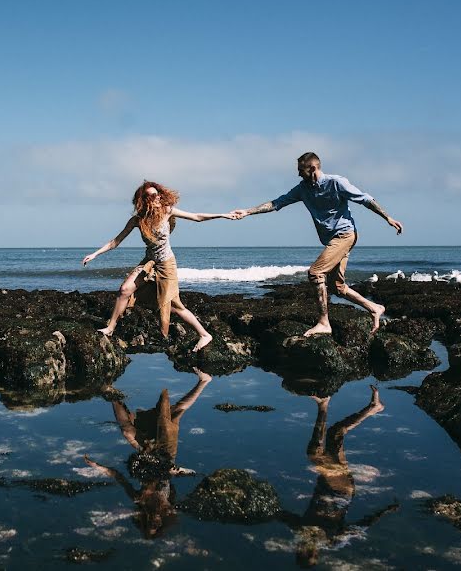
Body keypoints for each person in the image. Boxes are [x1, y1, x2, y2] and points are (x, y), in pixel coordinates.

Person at [233, 153, 403, 336]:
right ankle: (374, 307)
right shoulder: (302, 189)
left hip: (345, 235)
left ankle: (324, 323)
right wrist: (247, 212)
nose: (298, 174)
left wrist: (388, 217)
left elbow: (365, 199)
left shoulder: (336, 182)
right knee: (338, 287)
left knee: (316, 272)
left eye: (301, 170)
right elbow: (277, 203)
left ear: (313, 168)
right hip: (332, 240)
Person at [82, 181, 238, 352]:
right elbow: (115, 241)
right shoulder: (138, 220)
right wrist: (95, 254)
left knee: (175, 306)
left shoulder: (167, 211)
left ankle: (204, 334)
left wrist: (223, 215)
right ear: (144, 200)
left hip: (166, 265)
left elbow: (197, 217)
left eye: (158, 194)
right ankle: (110, 328)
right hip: (148, 262)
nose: (157, 198)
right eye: (152, 195)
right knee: (125, 290)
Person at [83, 368, 212, 538]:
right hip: (166, 455)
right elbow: (171, 473)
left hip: (147, 456)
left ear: (144, 520)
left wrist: (97, 466)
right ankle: (204, 381)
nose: (155, 521)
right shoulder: (168, 506)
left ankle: (110, 392)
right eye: (157, 525)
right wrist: (183, 472)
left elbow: (118, 477)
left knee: (127, 432)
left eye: (150, 524)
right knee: (172, 415)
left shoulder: (138, 499)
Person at [279, 386, 398, 567]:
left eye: (302, 552)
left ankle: (373, 407)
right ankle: (324, 405)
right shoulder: (332, 540)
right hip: (341, 490)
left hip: (327, 483)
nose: (307, 549)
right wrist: (384, 512)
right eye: (311, 554)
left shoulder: (301, 529)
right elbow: (360, 527)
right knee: (315, 453)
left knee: (336, 432)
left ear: (298, 550)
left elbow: (280, 514)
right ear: (316, 554)